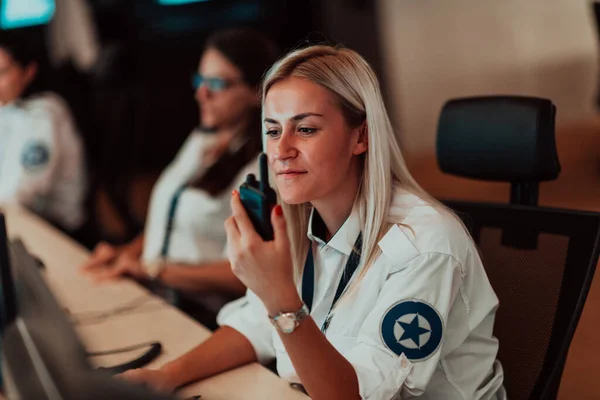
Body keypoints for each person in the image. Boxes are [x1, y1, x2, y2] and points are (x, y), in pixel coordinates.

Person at [118, 45, 507, 399]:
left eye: (305, 129)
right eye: (272, 130)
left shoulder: (424, 247)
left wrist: (280, 299)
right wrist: (166, 377)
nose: (282, 150)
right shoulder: (302, 223)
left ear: (361, 137)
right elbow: (256, 327)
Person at [80, 29, 279, 318]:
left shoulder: (262, 169)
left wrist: (156, 270)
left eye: (217, 83)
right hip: (160, 296)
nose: (202, 93)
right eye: (200, 79)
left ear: (255, 92)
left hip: (207, 315)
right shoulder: (201, 139)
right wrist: (127, 253)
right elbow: (169, 218)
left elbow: (247, 276)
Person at [0, 32, 87, 232]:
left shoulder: (46, 114)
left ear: (29, 71)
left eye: (3, 72)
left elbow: (21, 192)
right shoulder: (8, 108)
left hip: (55, 229)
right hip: (18, 219)